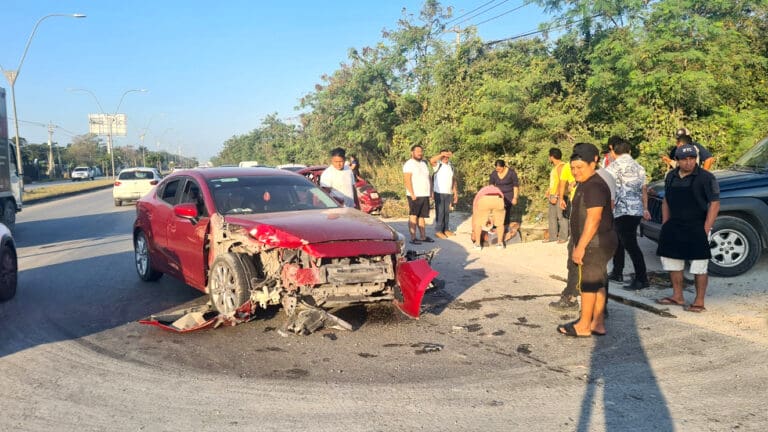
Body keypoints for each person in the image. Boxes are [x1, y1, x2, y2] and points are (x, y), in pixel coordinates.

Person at [556, 143, 617, 337]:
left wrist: (580, 246)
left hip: (595, 243)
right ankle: (597, 323)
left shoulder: (594, 186)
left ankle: (583, 325)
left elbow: (594, 218)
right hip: (601, 241)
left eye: (580, 167)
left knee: (589, 283)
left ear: (593, 163)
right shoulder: (588, 183)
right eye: (573, 168)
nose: (575, 172)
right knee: (598, 281)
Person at [655, 144, 720, 312]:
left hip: (698, 225)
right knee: (673, 262)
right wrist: (666, 223)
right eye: (684, 159)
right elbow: (666, 201)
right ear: (677, 160)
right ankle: (677, 296)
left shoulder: (706, 177)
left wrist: (706, 228)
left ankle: (699, 301)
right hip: (674, 225)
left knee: (699, 266)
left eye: (692, 159)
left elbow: (714, 203)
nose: (689, 162)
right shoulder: (670, 176)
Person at [605, 136, 651, 290]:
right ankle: (618, 271)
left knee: (631, 245)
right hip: (636, 210)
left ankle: (642, 278)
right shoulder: (640, 167)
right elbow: (644, 190)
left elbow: (608, 191)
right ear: (629, 151)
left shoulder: (612, 168)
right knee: (620, 241)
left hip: (620, 210)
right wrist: (645, 209)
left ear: (614, 152)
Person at [403, 144, 434, 245]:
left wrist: (431, 191)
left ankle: (423, 237)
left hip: (424, 194)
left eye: (421, 151)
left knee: (422, 216)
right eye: (417, 151)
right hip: (414, 194)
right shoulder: (409, 164)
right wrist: (412, 193)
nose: (420, 153)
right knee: (413, 215)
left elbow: (428, 177)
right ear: (412, 153)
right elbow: (407, 180)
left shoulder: (424, 164)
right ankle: (413, 237)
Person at [430, 149, 458, 239]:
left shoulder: (451, 166)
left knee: (447, 212)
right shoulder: (438, 164)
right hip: (439, 192)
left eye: (447, 156)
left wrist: (455, 193)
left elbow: (453, 181)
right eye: (444, 156)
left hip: (448, 192)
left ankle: (446, 229)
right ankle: (438, 231)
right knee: (440, 212)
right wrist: (441, 154)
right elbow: (432, 160)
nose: (446, 157)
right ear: (441, 156)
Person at [489, 160, 520, 242]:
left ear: (504, 167)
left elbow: (515, 185)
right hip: (498, 195)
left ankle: (505, 229)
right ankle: (495, 229)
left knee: (506, 212)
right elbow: (491, 185)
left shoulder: (511, 173)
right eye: (496, 169)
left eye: (499, 169)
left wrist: (515, 197)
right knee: (497, 211)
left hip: (509, 195)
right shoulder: (494, 173)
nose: (498, 170)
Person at [470, 185, 506, 250]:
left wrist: (473, 230)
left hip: (484, 199)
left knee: (478, 223)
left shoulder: (479, 194)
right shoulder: (495, 188)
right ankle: (500, 244)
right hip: (499, 199)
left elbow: (474, 214)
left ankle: (477, 244)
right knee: (500, 223)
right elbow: (501, 198)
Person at [545, 148, 569, 243]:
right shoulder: (555, 167)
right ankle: (552, 236)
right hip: (553, 194)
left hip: (559, 195)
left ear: (551, 157)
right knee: (552, 216)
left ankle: (563, 237)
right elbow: (554, 181)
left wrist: (557, 195)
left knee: (561, 216)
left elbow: (561, 182)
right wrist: (549, 190)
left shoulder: (561, 167)